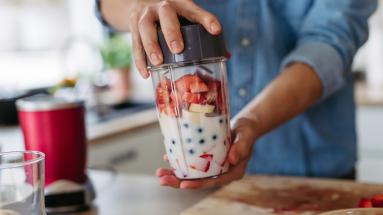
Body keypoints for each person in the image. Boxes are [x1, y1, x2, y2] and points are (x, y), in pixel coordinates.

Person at [96, 0, 377, 189]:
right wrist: (142, 6)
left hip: (314, 179)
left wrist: (252, 121)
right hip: (201, 187)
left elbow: (328, 47)